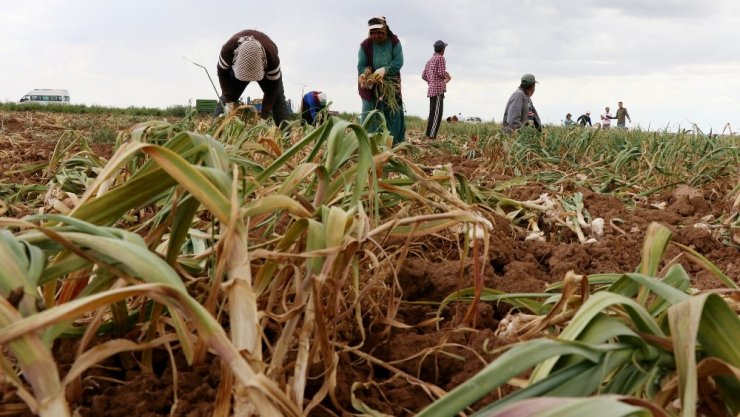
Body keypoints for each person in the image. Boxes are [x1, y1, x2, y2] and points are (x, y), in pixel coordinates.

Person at [215, 29, 290, 125]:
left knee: (278, 99)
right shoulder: (228, 50)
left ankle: (286, 135)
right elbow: (222, 74)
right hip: (239, 68)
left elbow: (272, 90)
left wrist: (264, 117)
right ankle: (215, 131)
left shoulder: (272, 60)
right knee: (226, 98)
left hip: (266, 68)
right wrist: (229, 102)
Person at [357, 16, 405, 145]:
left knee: (392, 110)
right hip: (370, 83)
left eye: (379, 33)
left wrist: (385, 70)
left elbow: (399, 61)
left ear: (385, 30)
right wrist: (364, 74)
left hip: (390, 81)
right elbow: (361, 65)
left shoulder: (394, 42)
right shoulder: (365, 45)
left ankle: (394, 143)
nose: (376, 36)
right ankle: (368, 142)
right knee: (369, 110)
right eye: (373, 33)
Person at [422, 40, 451, 140]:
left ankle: (428, 135)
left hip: (431, 89)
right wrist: (447, 79)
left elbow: (423, 75)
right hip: (438, 89)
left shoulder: (430, 60)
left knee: (432, 112)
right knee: (437, 114)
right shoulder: (440, 58)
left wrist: (431, 81)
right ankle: (431, 137)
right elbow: (441, 72)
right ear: (443, 49)